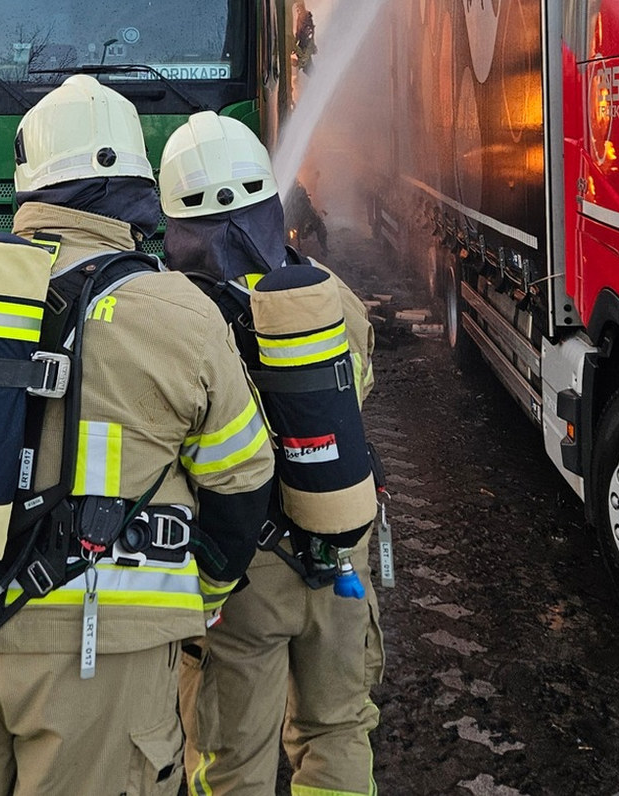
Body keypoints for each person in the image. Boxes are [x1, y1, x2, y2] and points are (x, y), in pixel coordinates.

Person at [0, 76, 275, 796]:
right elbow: (242, 483)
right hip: (105, 660)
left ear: (30, 186)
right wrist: (206, 588)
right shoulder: (181, 315)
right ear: (133, 189)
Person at [159, 111, 384, 796]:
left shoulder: (174, 318)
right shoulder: (329, 297)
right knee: (339, 729)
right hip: (340, 555)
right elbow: (358, 391)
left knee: (230, 762)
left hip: (242, 579)